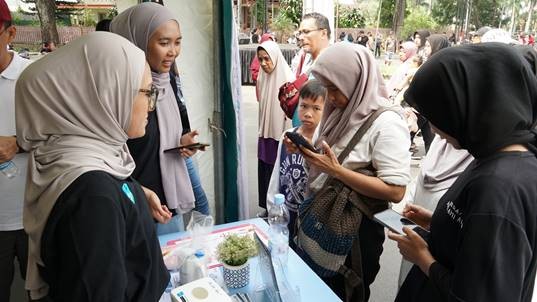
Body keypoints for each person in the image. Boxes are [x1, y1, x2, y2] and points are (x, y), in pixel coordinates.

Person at [15, 31, 169, 301]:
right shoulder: (93, 199)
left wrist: (135, 194)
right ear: (105, 95)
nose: (151, 106)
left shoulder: (81, 154)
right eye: (147, 92)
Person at [389, 43, 537, 302]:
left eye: (435, 114)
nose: (433, 128)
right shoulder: (496, 156)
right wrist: (440, 223)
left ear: (464, 107)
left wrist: (422, 258)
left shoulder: (501, 188)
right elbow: (480, 243)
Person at [292, 42, 411, 301]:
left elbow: (396, 190)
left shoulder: (387, 123)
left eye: (335, 88)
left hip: (356, 233)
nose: (330, 97)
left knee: (344, 292)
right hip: (325, 215)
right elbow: (334, 157)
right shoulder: (341, 112)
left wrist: (335, 171)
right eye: (328, 88)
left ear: (357, 80)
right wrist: (307, 151)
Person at [267, 79, 326, 248]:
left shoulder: (322, 143)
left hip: (308, 217)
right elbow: (277, 174)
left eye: (316, 108)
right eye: (304, 106)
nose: (308, 113)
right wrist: (272, 206)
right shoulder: (287, 136)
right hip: (285, 212)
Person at [0, 1, 31, 300]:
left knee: (42, 291)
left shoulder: (34, 78)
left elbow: (62, 136)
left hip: (32, 215)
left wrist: (18, 143)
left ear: (10, 33)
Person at [256, 40, 294, 216]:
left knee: (278, 173)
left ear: (276, 58)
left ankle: (279, 211)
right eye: (260, 59)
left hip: (280, 134)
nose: (264, 63)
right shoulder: (261, 77)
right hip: (265, 132)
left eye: (267, 59)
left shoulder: (287, 79)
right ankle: (266, 207)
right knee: (264, 169)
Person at [288, 12, 331, 127]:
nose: (301, 37)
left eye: (306, 32)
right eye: (300, 33)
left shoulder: (332, 66)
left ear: (323, 33)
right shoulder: (307, 62)